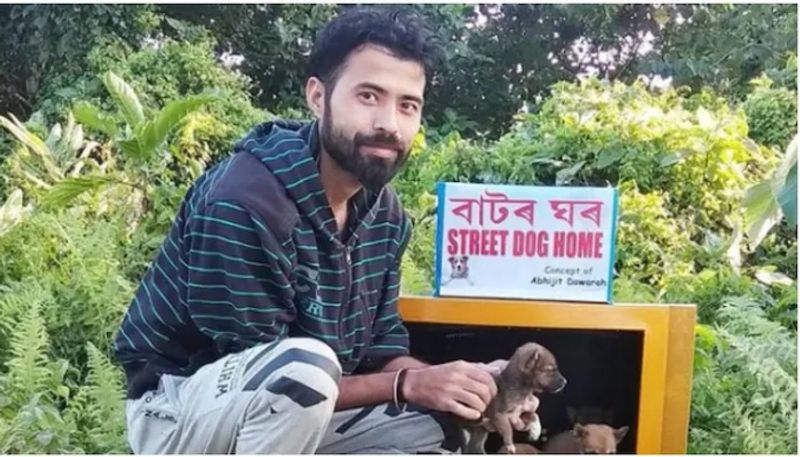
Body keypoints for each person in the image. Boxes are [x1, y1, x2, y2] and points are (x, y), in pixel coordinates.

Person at [113, 6, 530, 454]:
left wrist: (467, 386)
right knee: (306, 369)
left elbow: (381, 353)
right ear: (318, 96)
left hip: (302, 409)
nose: (389, 123)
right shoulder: (247, 202)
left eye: (408, 105)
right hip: (180, 411)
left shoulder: (385, 217)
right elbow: (270, 376)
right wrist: (408, 384)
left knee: (440, 423)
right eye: (368, 96)